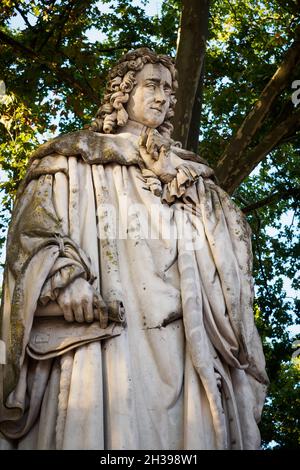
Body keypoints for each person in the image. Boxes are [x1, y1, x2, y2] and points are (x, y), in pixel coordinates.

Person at [0, 48, 268, 450]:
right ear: (123, 92)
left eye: (169, 90)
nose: (162, 97)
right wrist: (63, 278)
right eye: (152, 85)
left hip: (185, 338)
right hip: (106, 336)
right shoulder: (73, 159)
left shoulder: (193, 177)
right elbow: (33, 231)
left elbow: (234, 247)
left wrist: (184, 187)